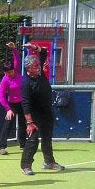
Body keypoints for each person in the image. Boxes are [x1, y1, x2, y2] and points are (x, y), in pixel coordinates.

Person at [20, 43, 65, 175]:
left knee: (47, 138)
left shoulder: (41, 75)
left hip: (47, 112)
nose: (39, 67)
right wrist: (29, 122)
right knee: (33, 140)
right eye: (35, 66)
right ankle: (26, 166)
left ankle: (49, 162)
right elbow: (25, 103)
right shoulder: (25, 82)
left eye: (38, 65)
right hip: (34, 116)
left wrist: (34, 47)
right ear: (28, 68)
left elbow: (44, 52)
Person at [0, 42, 26, 155]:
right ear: (4, 72)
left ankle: (23, 144)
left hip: (22, 103)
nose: (10, 73)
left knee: (23, 123)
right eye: (7, 72)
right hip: (12, 104)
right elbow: (1, 96)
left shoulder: (17, 72)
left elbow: (17, 60)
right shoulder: (5, 81)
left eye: (11, 71)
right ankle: (1, 147)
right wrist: (8, 109)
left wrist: (14, 49)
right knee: (8, 124)